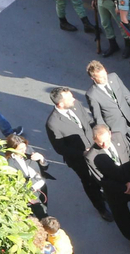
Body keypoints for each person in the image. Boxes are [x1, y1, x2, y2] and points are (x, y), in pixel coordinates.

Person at [86, 125, 130, 253]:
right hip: (115, 193)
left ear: (110, 134)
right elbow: (101, 180)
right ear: (94, 140)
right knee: (122, 218)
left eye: (106, 140)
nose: (104, 144)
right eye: (100, 142)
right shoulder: (91, 156)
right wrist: (125, 188)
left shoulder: (119, 137)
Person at [46, 87, 112, 218]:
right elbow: (60, 148)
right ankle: (100, 208)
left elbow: (88, 122)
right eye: (69, 98)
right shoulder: (53, 123)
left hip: (96, 149)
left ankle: (105, 192)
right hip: (80, 160)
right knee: (90, 183)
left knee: (104, 174)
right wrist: (82, 153)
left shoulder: (75, 105)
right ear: (60, 104)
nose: (74, 99)